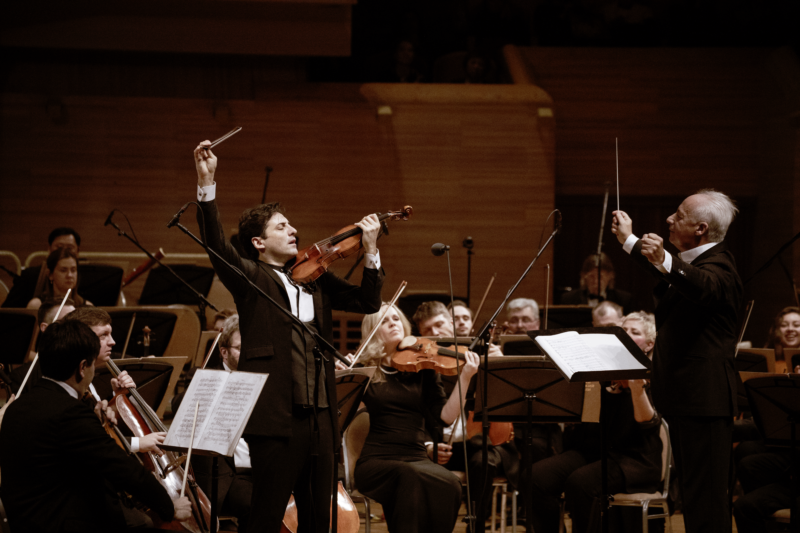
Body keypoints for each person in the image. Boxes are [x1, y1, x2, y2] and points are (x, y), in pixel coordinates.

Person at [194, 140, 384, 533]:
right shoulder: (251, 277)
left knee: (318, 520)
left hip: (321, 416)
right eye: (282, 226)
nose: (294, 230)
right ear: (258, 243)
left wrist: (370, 251)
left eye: (291, 224)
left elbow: (367, 302)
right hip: (276, 420)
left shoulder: (315, 278)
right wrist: (207, 183)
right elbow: (215, 245)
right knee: (267, 517)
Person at [612, 189, 743, 533]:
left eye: (679, 216)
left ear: (700, 229)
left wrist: (663, 260)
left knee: (707, 501)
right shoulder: (692, 264)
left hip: (706, 403)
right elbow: (673, 274)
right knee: (691, 497)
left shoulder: (720, 267)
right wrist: (630, 241)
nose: (670, 219)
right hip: (688, 400)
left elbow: (700, 285)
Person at [0, 319, 192, 532]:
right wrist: (168, 506)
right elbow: (122, 468)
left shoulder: (17, 407)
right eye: (92, 364)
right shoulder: (69, 412)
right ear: (82, 367)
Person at [526, 311, 662, 533]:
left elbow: (646, 423)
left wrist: (636, 389)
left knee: (580, 484)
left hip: (634, 459)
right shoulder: (600, 369)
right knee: (535, 478)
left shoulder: (655, 374)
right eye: (623, 330)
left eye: (634, 332)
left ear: (649, 344)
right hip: (593, 450)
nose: (626, 335)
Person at [352, 303, 479, 532]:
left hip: (415, 456)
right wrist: (347, 375)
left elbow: (445, 417)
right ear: (372, 331)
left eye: (396, 319)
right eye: (384, 321)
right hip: (377, 460)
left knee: (451, 483)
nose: (393, 323)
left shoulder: (423, 368)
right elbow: (347, 412)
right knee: (409, 476)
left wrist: (466, 377)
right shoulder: (365, 369)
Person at [2, 227, 81, 308]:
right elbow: (10, 311)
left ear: (78, 251)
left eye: (69, 248)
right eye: (59, 247)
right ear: (49, 249)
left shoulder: (85, 279)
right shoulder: (30, 276)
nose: (69, 275)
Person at [559, 253, 633, 314]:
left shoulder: (623, 300)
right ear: (584, 276)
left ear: (610, 276)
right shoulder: (568, 299)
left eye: (600, 277)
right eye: (591, 276)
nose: (595, 281)